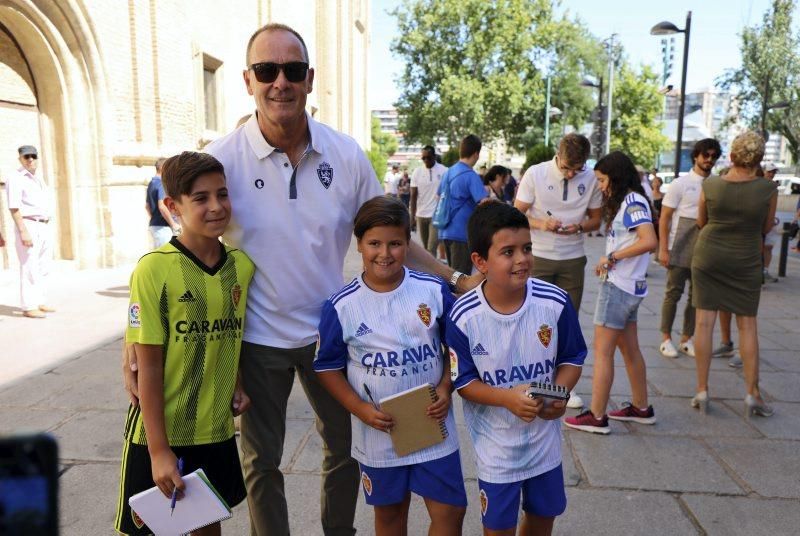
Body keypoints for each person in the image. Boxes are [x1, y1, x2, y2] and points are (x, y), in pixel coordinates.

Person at [123, 23, 480, 536]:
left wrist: (454, 277)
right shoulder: (222, 158)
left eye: (292, 71)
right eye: (267, 71)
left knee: (345, 450)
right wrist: (133, 333)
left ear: (309, 79)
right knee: (261, 460)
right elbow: (185, 242)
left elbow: (393, 235)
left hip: (332, 335)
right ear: (248, 80)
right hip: (256, 339)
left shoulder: (346, 154)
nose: (280, 83)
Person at [115, 151, 254, 536]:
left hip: (215, 429)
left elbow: (233, 333)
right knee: (153, 530)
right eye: (201, 198)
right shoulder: (154, 269)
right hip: (160, 433)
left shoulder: (241, 266)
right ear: (173, 206)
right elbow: (149, 365)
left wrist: (237, 378)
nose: (216, 206)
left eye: (222, 194)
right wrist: (159, 451)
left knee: (207, 528)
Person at [314, 196, 467, 536]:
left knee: (451, 511)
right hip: (379, 433)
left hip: (432, 426)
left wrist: (445, 386)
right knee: (390, 517)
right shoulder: (341, 306)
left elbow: (455, 349)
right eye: (375, 243)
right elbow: (326, 367)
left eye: (395, 243)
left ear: (408, 245)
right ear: (359, 245)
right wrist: (360, 409)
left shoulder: (431, 290)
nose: (385, 253)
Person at [447, 202, 586, 535]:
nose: (522, 259)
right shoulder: (463, 316)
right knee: (498, 527)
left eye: (527, 248)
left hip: (545, 444)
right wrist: (507, 398)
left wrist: (559, 394)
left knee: (542, 518)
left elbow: (572, 357)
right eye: (507, 251)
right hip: (496, 450)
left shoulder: (554, 301)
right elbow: (463, 382)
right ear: (480, 261)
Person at [564, 151, 658, 435]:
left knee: (602, 353)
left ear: (615, 177)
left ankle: (596, 415)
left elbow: (649, 239)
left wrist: (612, 257)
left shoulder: (631, 202)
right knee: (630, 350)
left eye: (603, 180)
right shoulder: (635, 200)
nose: (601, 186)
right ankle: (641, 408)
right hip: (629, 287)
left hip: (619, 286)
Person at [691, 131, 777, 417]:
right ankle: (752, 393)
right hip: (745, 259)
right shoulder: (768, 190)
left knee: (704, 323)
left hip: (709, 256)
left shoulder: (711, 185)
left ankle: (702, 390)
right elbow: (765, 228)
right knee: (748, 325)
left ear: (731, 156)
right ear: (759, 159)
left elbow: (701, 221)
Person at [514, 133, 602, 410]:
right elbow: (517, 214)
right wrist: (541, 224)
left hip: (573, 258)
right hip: (538, 255)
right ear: (558, 155)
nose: (572, 173)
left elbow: (597, 219)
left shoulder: (590, 179)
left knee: (567, 322)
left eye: (578, 168)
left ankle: (561, 385)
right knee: (533, 320)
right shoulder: (536, 173)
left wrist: (579, 227)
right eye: (567, 167)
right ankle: (528, 377)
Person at [657, 139, 721, 358]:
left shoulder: (717, 184)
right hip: (680, 243)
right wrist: (663, 249)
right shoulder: (680, 184)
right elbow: (664, 218)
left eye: (713, 156)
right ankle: (666, 338)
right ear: (696, 156)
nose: (709, 160)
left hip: (706, 245)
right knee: (673, 293)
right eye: (706, 155)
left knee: (697, 295)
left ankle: (687, 338)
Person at [6, 145, 54, 319]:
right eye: (26, 157)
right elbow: (14, 207)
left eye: (33, 156)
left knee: (44, 265)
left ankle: (40, 300)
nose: (30, 159)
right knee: (29, 266)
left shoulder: (38, 178)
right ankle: (29, 305)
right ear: (20, 159)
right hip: (28, 225)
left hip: (44, 225)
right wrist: (23, 231)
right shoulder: (15, 177)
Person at [437, 134, 487, 274]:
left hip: (446, 231)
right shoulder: (470, 175)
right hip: (462, 234)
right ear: (476, 153)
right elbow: (484, 203)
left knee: (453, 274)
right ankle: (455, 296)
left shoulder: (449, 172)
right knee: (461, 278)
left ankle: (451, 295)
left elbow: (438, 197)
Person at [410, 145, 447, 257]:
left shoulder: (444, 170)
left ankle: (433, 274)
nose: (426, 160)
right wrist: (412, 218)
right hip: (421, 215)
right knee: (426, 249)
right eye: (423, 158)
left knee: (431, 248)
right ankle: (429, 272)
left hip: (436, 215)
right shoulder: (417, 172)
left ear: (434, 156)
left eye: (429, 157)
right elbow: (413, 196)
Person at [145, 157, 180, 248]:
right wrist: (173, 224)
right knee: (167, 257)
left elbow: (147, 206)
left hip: (155, 226)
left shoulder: (151, 183)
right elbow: (162, 206)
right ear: (163, 168)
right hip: (163, 227)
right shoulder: (161, 183)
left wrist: (155, 217)